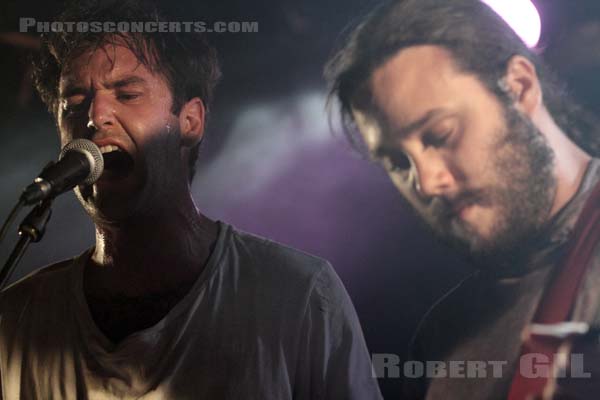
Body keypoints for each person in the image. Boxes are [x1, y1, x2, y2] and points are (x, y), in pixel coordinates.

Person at [0, 2, 383, 399]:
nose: (95, 116)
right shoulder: (16, 318)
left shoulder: (301, 296)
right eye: (74, 104)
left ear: (190, 121)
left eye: (128, 94)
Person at [326, 0, 600, 398]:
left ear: (520, 87)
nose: (427, 182)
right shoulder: (440, 337)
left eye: (440, 135)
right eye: (399, 163)